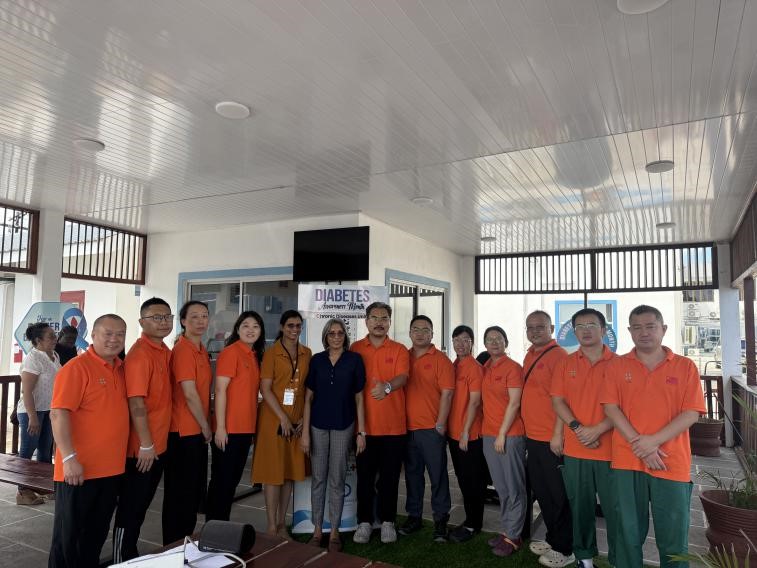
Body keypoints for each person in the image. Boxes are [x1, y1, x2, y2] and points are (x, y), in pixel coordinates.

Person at [602, 305, 705, 568]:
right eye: (637, 327)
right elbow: (611, 408)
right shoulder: (616, 365)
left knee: (673, 536)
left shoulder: (684, 366)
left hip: (670, 461)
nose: (644, 332)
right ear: (629, 331)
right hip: (627, 460)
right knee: (627, 532)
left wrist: (652, 442)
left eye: (650, 326)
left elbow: (692, 413)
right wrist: (642, 445)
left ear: (663, 329)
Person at [48, 314, 129, 568]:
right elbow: (58, 414)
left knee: (94, 537)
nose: (114, 339)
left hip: (111, 470)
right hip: (78, 471)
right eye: (108, 333)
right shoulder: (77, 368)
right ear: (93, 336)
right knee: (68, 540)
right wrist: (69, 458)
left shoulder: (122, 368)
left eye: (120, 334)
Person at [551, 308, 618, 568]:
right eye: (580, 326)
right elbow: (558, 401)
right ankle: (585, 559)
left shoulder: (620, 363)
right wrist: (578, 429)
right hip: (576, 450)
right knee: (580, 508)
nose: (585, 330)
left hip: (613, 451)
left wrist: (598, 429)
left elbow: (626, 406)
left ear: (604, 329)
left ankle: (618, 559)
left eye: (591, 325)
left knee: (616, 510)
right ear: (574, 331)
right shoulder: (565, 364)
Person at [112, 298, 174, 562]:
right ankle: (121, 559)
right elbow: (136, 402)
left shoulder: (163, 350)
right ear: (142, 322)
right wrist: (146, 444)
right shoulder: (140, 355)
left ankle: (131, 555)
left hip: (158, 444)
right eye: (156, 317)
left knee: (141, 506)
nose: (163, 322)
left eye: (167, 317)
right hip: (141, 449)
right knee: (131, 507)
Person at [301, 318, 366, 552]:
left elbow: (359, 398)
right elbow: (308, 398)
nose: (336, 337)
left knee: (337, 480)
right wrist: (305, 433)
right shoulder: (317, 360)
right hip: (317, 426)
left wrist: (361, 432)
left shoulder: (354, 360)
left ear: (345, 336)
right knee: (318, 479)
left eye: (340, 333)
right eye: (331, 333)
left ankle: (335, 532)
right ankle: (318, 530)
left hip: (343, 425)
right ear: (326, 337)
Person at [351, 302, 410, 545]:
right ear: (366, 321)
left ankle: (387, 522)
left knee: (389, 479)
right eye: (374, 318)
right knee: (364, 479)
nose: (379, 322)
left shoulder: (399, 349)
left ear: (389, 322)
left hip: (394, 428)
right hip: (364, 428)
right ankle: (364, 522)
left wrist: (387, 387)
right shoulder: (355, 348)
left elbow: (402, 377)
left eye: (384, 318)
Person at [252, 309, 312, 538]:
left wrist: (304, 417)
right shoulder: (271, 354)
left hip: (296, 421)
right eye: (290, 326)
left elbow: (308, 389)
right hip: (273, 420)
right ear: (281, 327)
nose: (294, 330)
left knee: (288, 473)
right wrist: (283, 418)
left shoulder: (307, 353)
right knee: (272, 474)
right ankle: (270, 526)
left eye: (298, 326)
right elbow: (265, 389)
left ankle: (281, 524)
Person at [521, 310, 574, 567]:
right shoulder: (529, 354)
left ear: (551, 328)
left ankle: (565, 548)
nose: (535, 331)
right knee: (542, 492)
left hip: (550, 439)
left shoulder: (559, 356)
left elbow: (563, 399)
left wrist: (557, 435)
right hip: (532, 437)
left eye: (540, 326)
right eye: (530, 327)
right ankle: (554, 539)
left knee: (558, 495)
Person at [399, 315, 455, 542]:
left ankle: (441, 520)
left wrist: (440, 424)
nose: (420, 333)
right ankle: (414, 516)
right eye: (416, 329)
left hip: (431, 429)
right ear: (410, 333)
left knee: (438, 476)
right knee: (412, 476)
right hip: (407, 429)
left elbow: (447, 394)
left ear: (432, 334)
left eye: (425, 330)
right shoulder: (403, 357)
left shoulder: (441, 360)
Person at [206, 311, 265, 522]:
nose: (250, 330)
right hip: (228, 429)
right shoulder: (231, 352)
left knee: (231, 482)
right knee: (222, 483)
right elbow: (220, 390)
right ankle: (213, 529)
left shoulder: (254, 355)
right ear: (237, 329)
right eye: (246, 325)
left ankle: (222, 527)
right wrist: (221, 428)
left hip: (245, 428)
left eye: (255, 326)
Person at [162, 301, 213, 545]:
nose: (200, 321)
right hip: (183, 431)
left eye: (204, 316)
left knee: (191, 492)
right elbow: (190, 393)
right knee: (180, 495)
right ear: (183, 321)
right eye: (194, 317)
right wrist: (205, 425)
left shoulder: (200, 349)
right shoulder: (183, 350)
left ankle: (186, 543)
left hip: (195, 431)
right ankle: (173, 546)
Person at [480, 325, 527, 558]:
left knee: (514, 486)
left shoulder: (513, 368)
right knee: (501, 487)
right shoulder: (486, 367)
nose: (494, 342)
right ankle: (507, 529)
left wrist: (501, 433)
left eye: (498, 338)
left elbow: (514, 403)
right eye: (489, 339)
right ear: (485, 344)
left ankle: (514, 535)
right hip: (489, 434)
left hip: (509, 435)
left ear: (506, 342)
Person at [446, 325, 487, 543]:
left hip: (469, 435)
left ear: (472, 343)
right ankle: (470, 519)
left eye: (465, 340)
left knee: (473, 481)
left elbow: (475, 402)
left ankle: (473, 524)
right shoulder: (454, 365)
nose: (460, 344)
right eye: (457, 340)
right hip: (454, 433)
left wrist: (465, 432)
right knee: (463, 479)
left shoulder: (474, 367)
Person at [16, 322, 60, 506]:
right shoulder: (33, 358)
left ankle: (42, 487)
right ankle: (22, 492)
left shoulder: (54, 355)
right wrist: (33, 417)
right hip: (31, 412)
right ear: (38, 340)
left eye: (55, 335)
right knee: (27, 451)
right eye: (51, 336)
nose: (55, 338)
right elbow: (27, 391)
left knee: (45, 450)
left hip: (48, 410)